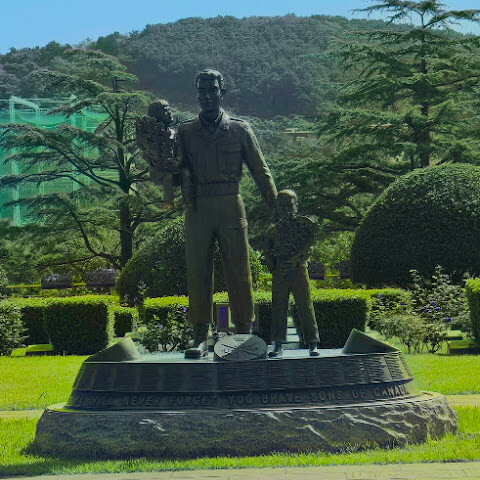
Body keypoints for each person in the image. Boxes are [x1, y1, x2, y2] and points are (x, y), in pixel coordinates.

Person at [177, 69, 278, 358]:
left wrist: (277, 207)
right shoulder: (184, 132)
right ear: (196, 94)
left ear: (222, 93)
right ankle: (200, 335)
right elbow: (172, 172)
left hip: (231, 202)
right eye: (202, 91)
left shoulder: (240, 130)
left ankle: (244, 330)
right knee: (198, 270)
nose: (207, 96)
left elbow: (260, 171)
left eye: (213, 90)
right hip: (197, 206)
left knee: (239, 270)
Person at [264, 190, 320, 357]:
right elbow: (267, 251)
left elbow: (310, 246)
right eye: (282, 206)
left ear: (296, 206)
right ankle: (278, 344)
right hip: (280, 273)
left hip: (299, 271)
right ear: (278, 208)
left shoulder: (305, 226)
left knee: (306, 307)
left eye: (290, 205)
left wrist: (301, 258)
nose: (286, 209)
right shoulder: (272, 231)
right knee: (278, 308)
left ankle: (313, 343)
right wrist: (273, 269)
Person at [136, 100, 178, 206]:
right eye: (166, 111)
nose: (170, 113)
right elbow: (146, 154)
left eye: (169, 110)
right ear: (157, 114)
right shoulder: (148, 137)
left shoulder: (174, 133)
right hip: (160, 175)